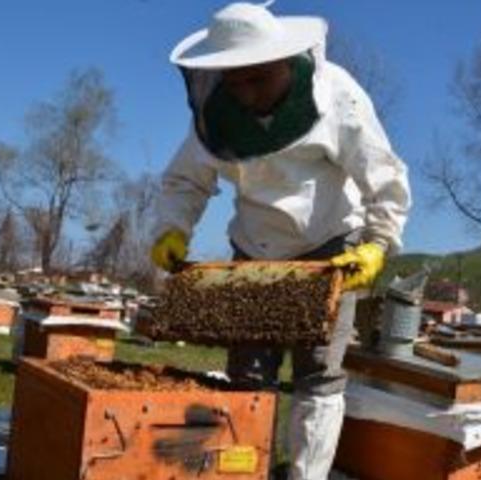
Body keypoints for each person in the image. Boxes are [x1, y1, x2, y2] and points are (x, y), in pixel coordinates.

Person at [150, 3, 410, 479]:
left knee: (318, 375)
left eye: (259, 79)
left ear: (286, 63)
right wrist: (172, 229)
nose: (247, 94)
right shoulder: (214, 113)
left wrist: (377, 242)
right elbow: (185, 180)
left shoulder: (338, 94)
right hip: (254, 250)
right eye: (236, 82)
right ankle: (244, 469)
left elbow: (384, 175)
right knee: (248, 376)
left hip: (330, 244)